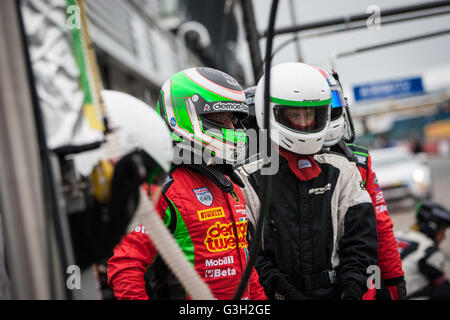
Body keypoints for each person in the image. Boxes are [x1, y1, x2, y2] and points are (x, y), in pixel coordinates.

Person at [107, 67, 267, 300]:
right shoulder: (162, 190)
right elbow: (126, 266)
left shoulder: (232, 186)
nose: (232, 128)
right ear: (182, 116)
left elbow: (245, 264)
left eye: (233, 119)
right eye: (221, 118)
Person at [252, 62, 378, 300]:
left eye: (309, 114)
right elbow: (248, 253)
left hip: (336, 291)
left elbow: (362, 240)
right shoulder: (248, 177)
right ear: (269, 112)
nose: (302, 123)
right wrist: (282, 291)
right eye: (293, 114)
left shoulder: (343, 168)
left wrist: (352, 290)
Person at [319, 69, 406, 300]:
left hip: (360, 277)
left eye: (332, 103)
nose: (327, 112)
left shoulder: (359, 159)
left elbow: (381, 226)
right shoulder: (270, 165)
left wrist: (395, 279)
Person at [395, 200, 450, 300]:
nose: (444, 236)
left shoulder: (397, 234)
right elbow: (443, 289)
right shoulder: (429, 249)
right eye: (443, 231)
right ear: (433, 228)